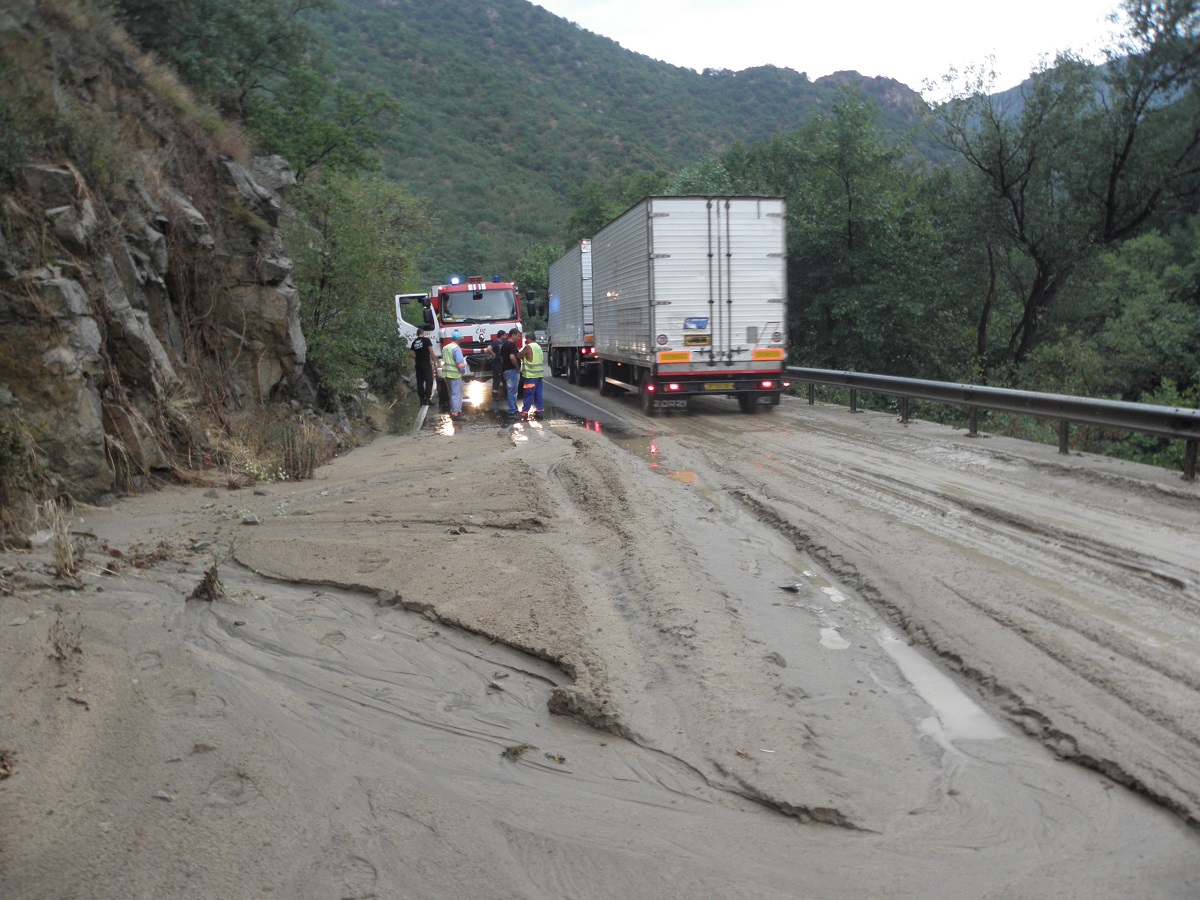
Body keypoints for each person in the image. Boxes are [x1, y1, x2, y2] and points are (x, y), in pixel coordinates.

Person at [441, 329, 468, 418]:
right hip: (455, 375)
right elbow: (460, 362)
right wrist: (462, 371)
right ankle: (456, 413)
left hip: (446, 374)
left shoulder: (445, 348)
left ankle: (453, 411)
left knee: (451, 393)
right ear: (459, 340)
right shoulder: (456, 348)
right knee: (456, 394)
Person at [409, 326, 437, 406]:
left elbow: (410, 354)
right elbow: (431, 351)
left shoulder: (414, 342)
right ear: (423, 333)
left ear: (417, 334)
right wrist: (434, 361)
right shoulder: (426, 340)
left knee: (420, 382)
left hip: (418, 365)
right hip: (426, 364)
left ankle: (421, 400)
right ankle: (427, 399)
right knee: (429, 381)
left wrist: (416, 357)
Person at [519, 332, 545, 420]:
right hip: (539, 375)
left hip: (530, 376)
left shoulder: (528, 347)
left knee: (528, 395)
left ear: (528, 338)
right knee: (538, 395)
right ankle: (540, 411)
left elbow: (519, 355)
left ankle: (524, 413)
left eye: (525, 339)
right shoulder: (538, 347)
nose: (525, 341)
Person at [499, 328, 521, 416]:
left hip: (505, 369)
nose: (519, 338)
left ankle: (513, 408)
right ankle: (512, 410)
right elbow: (512, 357)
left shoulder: (504, 345)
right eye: (518, 336)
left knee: (510, 390)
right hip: (512, 370)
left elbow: (502, 357)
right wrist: (517, 367)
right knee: (513, 391)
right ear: (513, 335)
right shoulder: (511, 345)